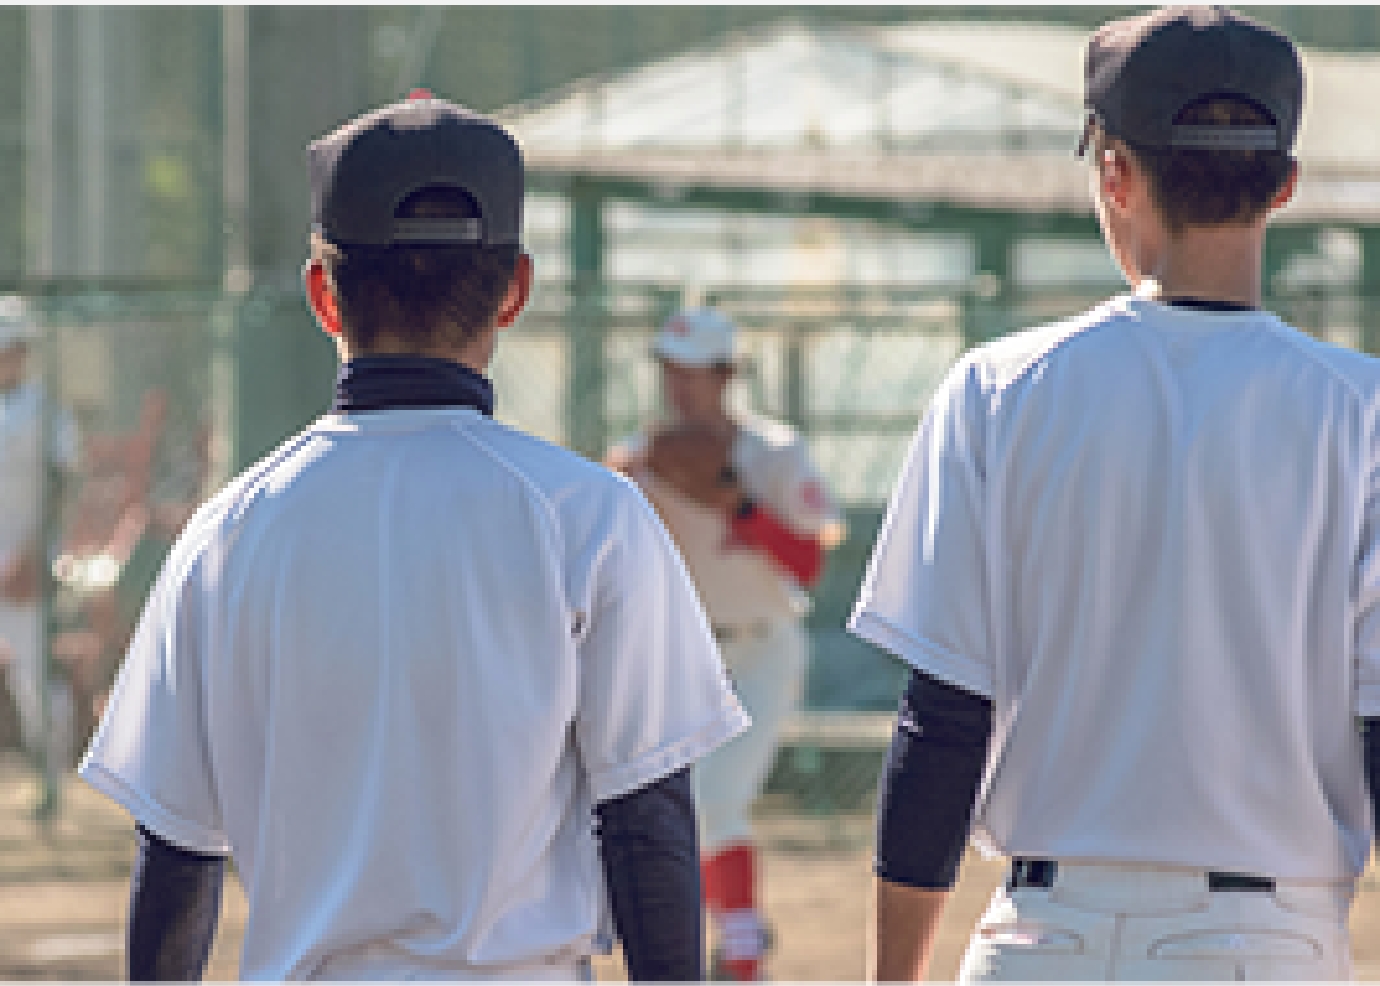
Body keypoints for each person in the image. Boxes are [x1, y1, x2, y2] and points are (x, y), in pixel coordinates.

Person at [78, 93, 749, 982]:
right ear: (514, 291)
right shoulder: (588, 515)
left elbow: (176, 856)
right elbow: (648, 822)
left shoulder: (227, 533)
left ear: (324, 294)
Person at [852, 7, 1380, 981]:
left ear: (1115, 174)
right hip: (1265, 943)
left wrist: (893, 977)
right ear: (1285, 184)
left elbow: (943, 723)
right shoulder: (1363, 410)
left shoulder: (999, 386)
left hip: (1039, 939)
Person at [607, 307, 844, 981]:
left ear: (729, 376)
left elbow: (809, 564)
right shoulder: (641, 456)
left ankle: (740, 949)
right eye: (670, 371)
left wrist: (737, 505)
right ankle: (738, 942)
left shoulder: (772, 452)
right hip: (683, 654)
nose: (680, 387)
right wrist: (624, 479)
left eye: (696, 373)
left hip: (764, 648)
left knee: (715, 798)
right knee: (693, 802)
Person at [0, 296, 79, 782]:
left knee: (32, 669)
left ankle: (55, 776)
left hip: (27, 552)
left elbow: (60, 486)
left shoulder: (46, 411)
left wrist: (30, 553)